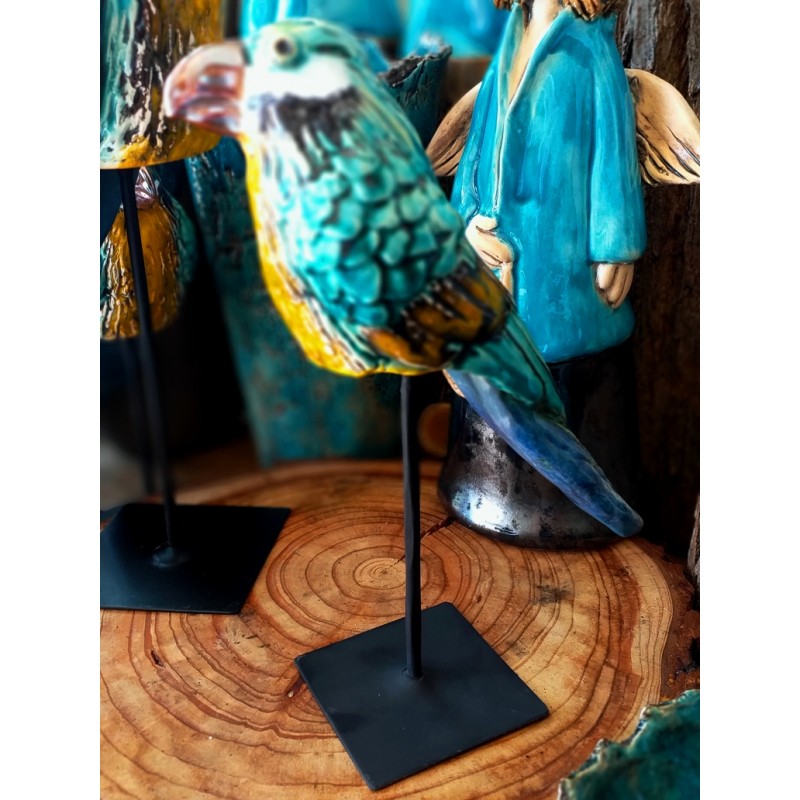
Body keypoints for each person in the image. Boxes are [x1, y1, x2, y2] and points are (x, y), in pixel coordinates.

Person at [440, 0, 647, 547]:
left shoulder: (589, 45)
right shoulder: (505, 48)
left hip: (564, 266)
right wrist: (465, 224)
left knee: (566, 372)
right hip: (496, 272)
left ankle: (588, 507)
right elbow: (475, 154)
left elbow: (614, 146)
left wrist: (616, 241)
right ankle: (486, 485)